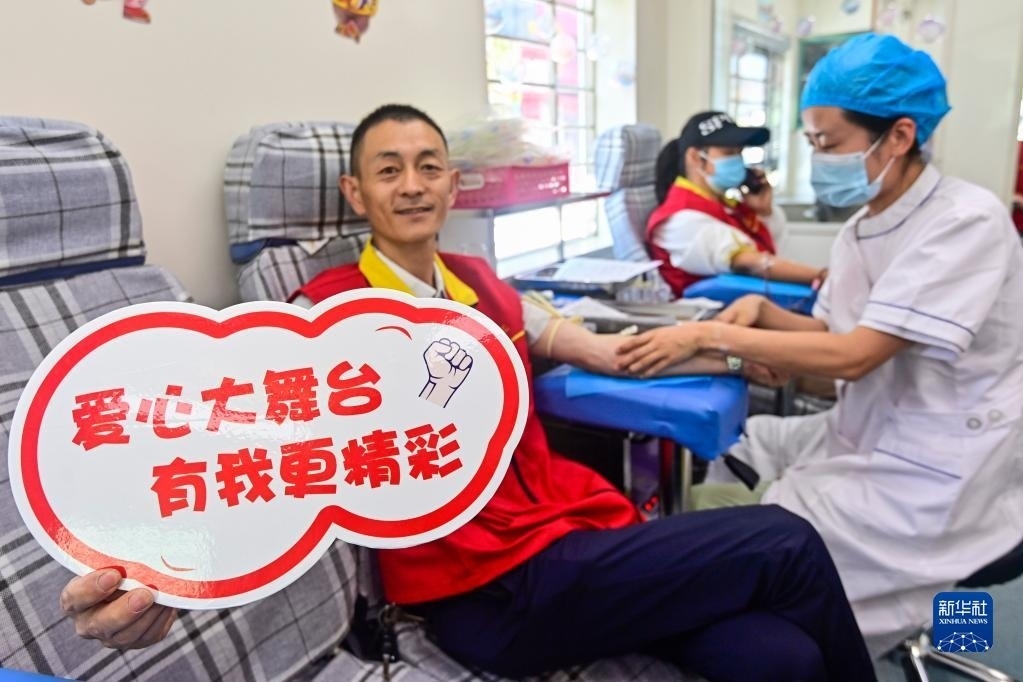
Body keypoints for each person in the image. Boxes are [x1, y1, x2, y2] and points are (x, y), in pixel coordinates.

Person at [57, 104, 877, 681]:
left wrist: (728, 356)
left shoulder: (483, 284)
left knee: (781, 659)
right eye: (388, 171)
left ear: (453, 185)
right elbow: (248, 456)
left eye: (427, 168)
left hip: (565, 542)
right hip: (487, 590)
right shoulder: (326, 317)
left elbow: (608, 352)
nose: (411, 185)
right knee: (781, 540)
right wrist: (156, 572)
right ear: (357, 195)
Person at [618, 33, 1023, 654]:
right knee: (748, 444)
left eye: (829, 144)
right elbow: (833, 336)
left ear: (900, 136)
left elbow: (856, 355)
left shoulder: (964, 221)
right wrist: (762, 318)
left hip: (947, 460)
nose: (817, 159)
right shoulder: (862, 229)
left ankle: (944, 637)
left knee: (783, 543)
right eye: (811, 143)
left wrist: (710, 333)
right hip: (871, 427)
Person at [648, 111, 824, 298]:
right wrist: (823, 276)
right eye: (729, 153)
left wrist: (764, 213)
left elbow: (773, 251)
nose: (738, 161)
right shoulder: (680, 217)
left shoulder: (729, 207)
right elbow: (752, 263)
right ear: (695, 158)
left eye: (740, 152)